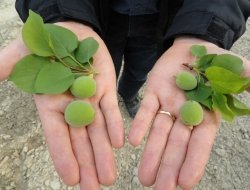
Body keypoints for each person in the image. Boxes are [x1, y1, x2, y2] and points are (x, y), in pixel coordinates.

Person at [0, 0, 250, 189]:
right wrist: (61, 12)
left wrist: (205, 29)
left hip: (161, 20)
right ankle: (123, 93)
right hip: (100, 18)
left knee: (139, 71)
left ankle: (128, 94)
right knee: (107, 62)